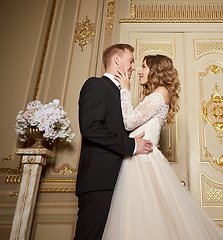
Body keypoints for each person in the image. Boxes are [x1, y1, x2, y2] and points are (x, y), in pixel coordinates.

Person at [102, 54, 223, 240]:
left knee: (150, 217)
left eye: (144, 67)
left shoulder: (161, 92)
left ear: (155, 71)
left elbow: (129, 122)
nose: (139, 70)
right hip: (137, 157)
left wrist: (125, 90)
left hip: (143, 162)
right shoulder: (155, 94)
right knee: (140, 218)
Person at [74, 44, 153, 240]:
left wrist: (145, 145)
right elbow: (91, 127)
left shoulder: (121, 94)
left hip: (119, 180)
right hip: (99, 181)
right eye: (131, 61)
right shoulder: (96, 85)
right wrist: (132, 146)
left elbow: (115, 130)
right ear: (117, 61)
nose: (134, 67)